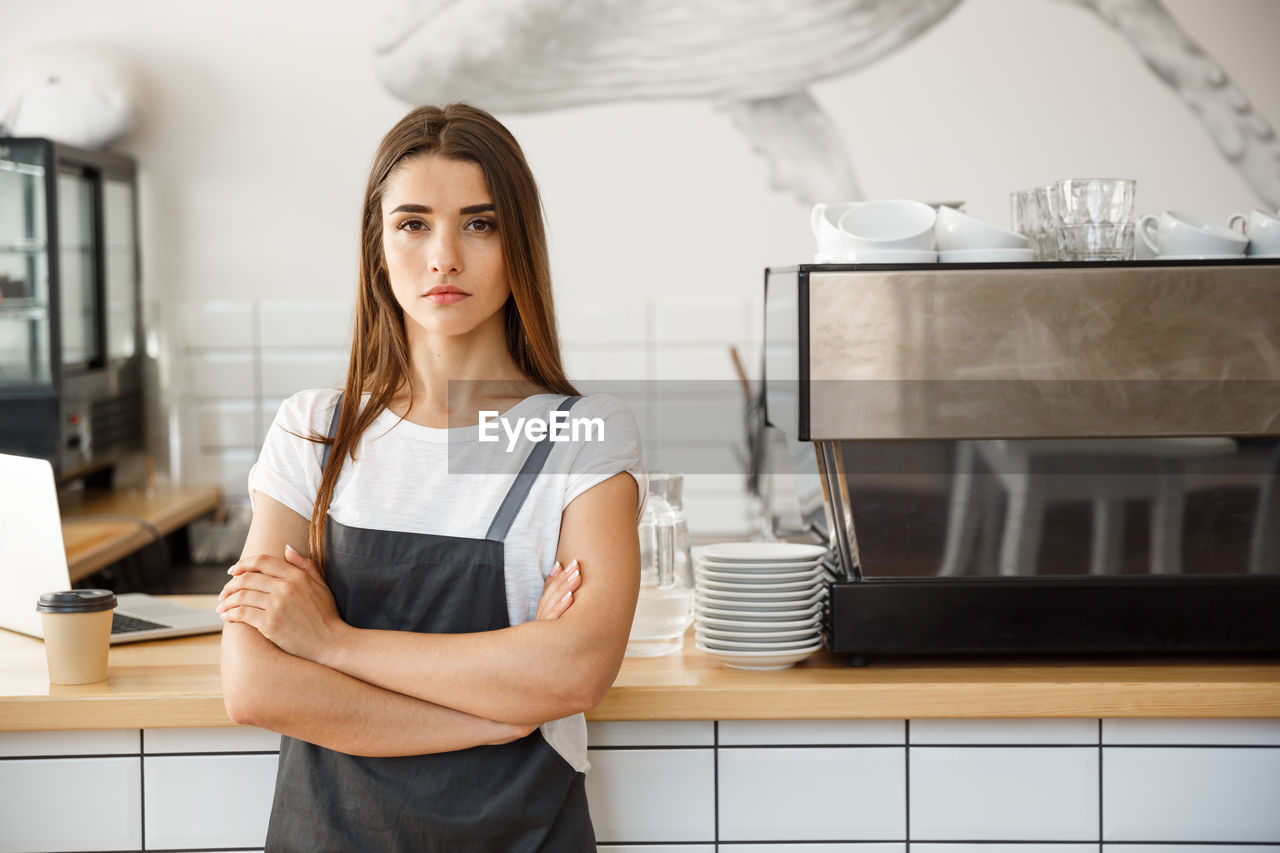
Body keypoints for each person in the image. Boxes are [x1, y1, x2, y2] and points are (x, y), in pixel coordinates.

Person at [218, 102, 645, 851]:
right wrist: (501, 711)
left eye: (479, 223)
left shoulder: (580, 433)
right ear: (378, 248)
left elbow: (575, 670)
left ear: (520, 246)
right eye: (413, 224)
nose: (444, 256)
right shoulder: (312, 430)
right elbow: (256, 685)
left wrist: (331, 642)